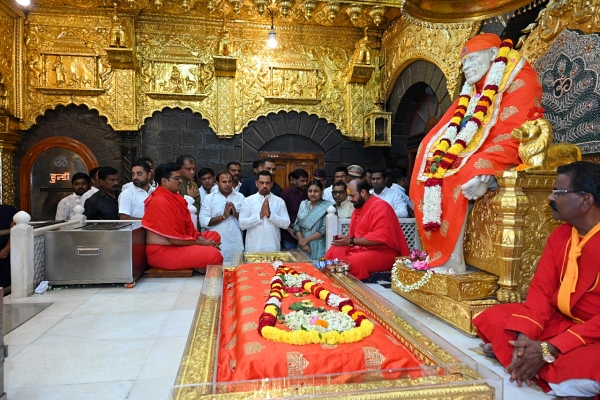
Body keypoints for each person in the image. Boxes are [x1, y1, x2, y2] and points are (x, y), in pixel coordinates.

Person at [410, 33, 542, 271]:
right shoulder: (473, 89)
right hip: (473, 148)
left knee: (468, 170)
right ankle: (435, 253)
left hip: (511, 143)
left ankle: (454, 260)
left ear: (493, 55)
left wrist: (486, 170)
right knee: (428, 163)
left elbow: (514, 128)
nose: (466, 67)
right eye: (463, 64)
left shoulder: (520, 77)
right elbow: (450, 125)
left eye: (471, 60)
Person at [473, 161, 600, 399]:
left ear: (586, 200)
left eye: (558, 192)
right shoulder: (561, 234)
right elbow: (541, 290)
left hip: (594, 334)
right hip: (561, 322)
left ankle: (532, 364)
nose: (549, 197)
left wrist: (550, 347)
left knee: (590, 364)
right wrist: (526, 339)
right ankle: (540, 366)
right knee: (495, 317)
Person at [142, 163, 223, 271]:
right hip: (163, 252)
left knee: (214, 236)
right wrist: (204, 244)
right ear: (164, 181)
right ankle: (198, 260)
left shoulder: (175, 198)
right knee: (213, 255)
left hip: (177, 245)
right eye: (177, 178)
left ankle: (196, 259)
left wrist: (205, 242)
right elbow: (174, 240)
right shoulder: (159, 201)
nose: (180, 181)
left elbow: (189, 229)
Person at [325, 179, 409, 280]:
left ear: (363, 193)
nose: (350, 199)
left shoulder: (381, 207)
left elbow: (379, 238)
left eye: (352, 196)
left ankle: (344, 285)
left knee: (353, 262)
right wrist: (346, 240)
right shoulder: (358, 208)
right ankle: (328, 280)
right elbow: (358, 236)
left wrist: (351, 241)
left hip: (384, 251)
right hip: (361, 248)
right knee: (335, 250)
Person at [199, 170, 244, 263]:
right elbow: (203, 222)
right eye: (224, 182)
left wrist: (235, 214)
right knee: (216, 272)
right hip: (217, 243)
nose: (227, 184)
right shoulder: (209, 199)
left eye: (229, 181)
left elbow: (247, 221)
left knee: (237, 271)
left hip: (236, 242)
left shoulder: (240, 197)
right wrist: (223, 217)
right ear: (217, 183)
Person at [239, 170, 290, 252]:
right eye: (261, 183)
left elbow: (286, 224)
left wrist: (270, 216)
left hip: (273, 247)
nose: (265, 186)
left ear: (272, 184)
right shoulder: (248, 201)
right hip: (253, 248)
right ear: (256, 183)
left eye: (267, 183)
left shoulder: (279, 201)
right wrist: (259, 216)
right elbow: (242, 224)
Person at [294, 180, 333, 260]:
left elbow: (323, 229)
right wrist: (302, 241)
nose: (312, 194)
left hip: (318, 245)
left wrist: (306, 240)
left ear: (322, 192)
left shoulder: (328, 207)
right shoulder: (303, 204)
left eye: (316, 191)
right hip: (302, 246)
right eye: (310, 191)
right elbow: (297, 225)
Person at [280, 169, 309, 249]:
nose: (305, 183)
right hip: (290, 236)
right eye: (302, 181)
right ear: (293, 180)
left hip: (307, 236)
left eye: (306, 181)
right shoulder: (286, 194)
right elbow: (281, 216)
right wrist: (290, 228)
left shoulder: (309, 193)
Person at [0, 204, 18, 289]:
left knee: (5, 281)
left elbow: (15, 229)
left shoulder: (8, 210)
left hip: (5, 253)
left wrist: (7, 249)